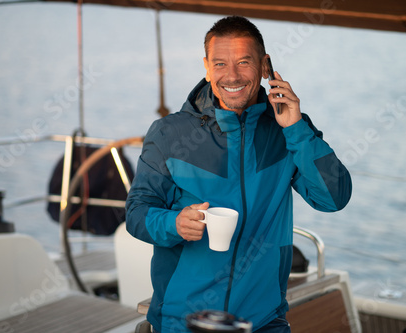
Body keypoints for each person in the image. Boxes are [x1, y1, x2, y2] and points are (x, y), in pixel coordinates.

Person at [125, 15, 352, 333]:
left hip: (263, 321)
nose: (231, 76)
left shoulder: (287, 129)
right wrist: (174, 224)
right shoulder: (169, 134)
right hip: (184, 322)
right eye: (219, 64)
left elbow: (333, 198)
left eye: (244, 62)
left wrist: (297, 130)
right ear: (206, 67)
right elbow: (136, 214)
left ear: (264, 66)